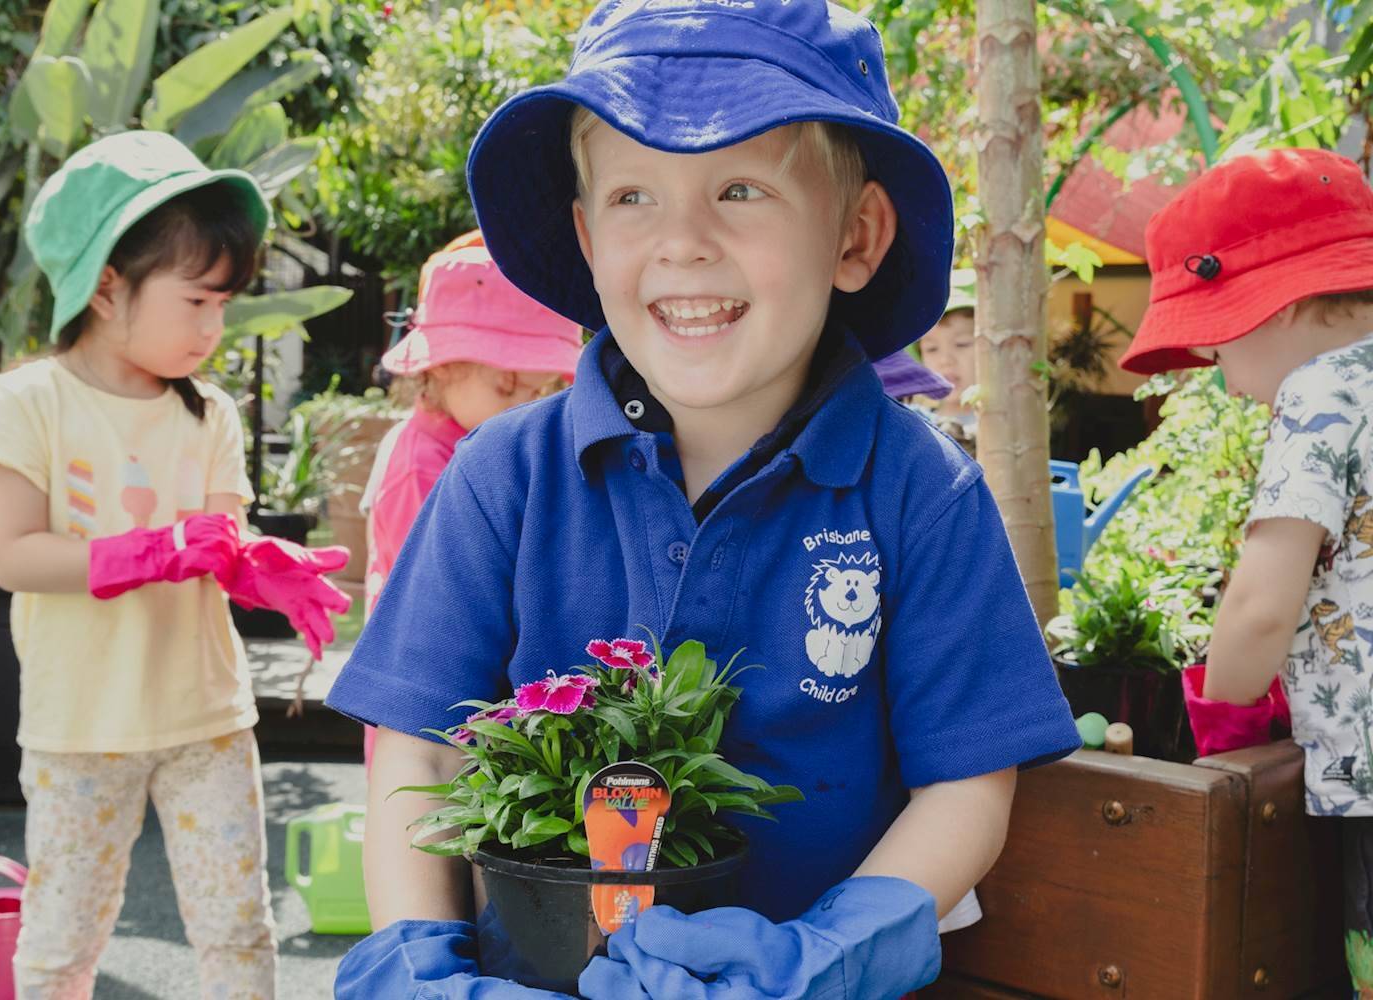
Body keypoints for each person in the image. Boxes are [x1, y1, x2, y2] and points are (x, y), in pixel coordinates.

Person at [327, 1, 1081, 996]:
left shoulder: (922, 490)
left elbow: (968, 783)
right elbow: (416, 744)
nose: (682, 243)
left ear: (855, 236)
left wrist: (823, 954)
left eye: (738, 188)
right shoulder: (499, 476)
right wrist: (421, 960)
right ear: (587, 238)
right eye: (634, 196)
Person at [0, 131, 349, 998]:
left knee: (240, 931)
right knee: (62, 940)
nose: (215, 327)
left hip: (206, 719)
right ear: (104, 287)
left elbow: (222, 541)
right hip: (79, 730)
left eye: (224, 305)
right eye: (197, 301)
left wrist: (255, 567)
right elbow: (11, 553)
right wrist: (150, 550)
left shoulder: (208, 416)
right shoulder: (29, 402)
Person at [1118, 147, 1373, 992]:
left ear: (1272, 308)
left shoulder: (1321, 392)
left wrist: (1220, 713)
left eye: (1214, 351)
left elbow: (1263, 606)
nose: (1225, 385)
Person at [358, 231, 583, 765]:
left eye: (542, 389)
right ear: (438, 369)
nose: (523, 408)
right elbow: (437, 619)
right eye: (507, 388)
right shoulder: (422, 466)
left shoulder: (491, 450)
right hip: (434, 720)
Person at [916, 268, 978, 446]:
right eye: (932, 349)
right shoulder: (918, 422)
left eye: (962, 344)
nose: (945, 360)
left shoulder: (1004, 422)